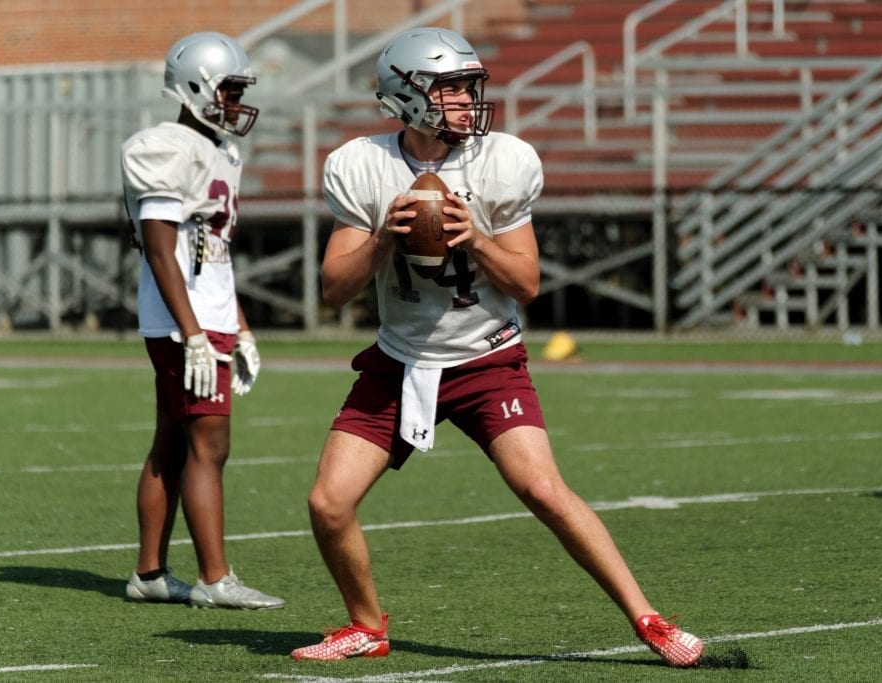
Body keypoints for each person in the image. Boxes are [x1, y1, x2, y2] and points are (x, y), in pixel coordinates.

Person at [289, 27, 701, 666]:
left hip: (486, 357)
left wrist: (476, 238)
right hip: (400, 362)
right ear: (407, 93)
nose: (464, 99)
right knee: (327, 502)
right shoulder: (360, 164)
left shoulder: (502, 160)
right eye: (449, 86)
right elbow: (333, 291)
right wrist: (384, 239)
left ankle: (646, 618)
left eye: (466, 85)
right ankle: (366, 626)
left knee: (541, 488)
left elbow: (527, 283)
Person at [120, 31, 284, 611]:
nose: (237, 101)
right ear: (194, 87)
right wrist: (192, 332)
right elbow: (161, 251)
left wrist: (237, 324)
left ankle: (150, 574)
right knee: (209, 445)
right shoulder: (163, 147)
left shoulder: (223, 151)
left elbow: (213, 251)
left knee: (172, 440)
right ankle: (215, 579)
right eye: (230, 88)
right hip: (179, 321)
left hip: (204, 315)